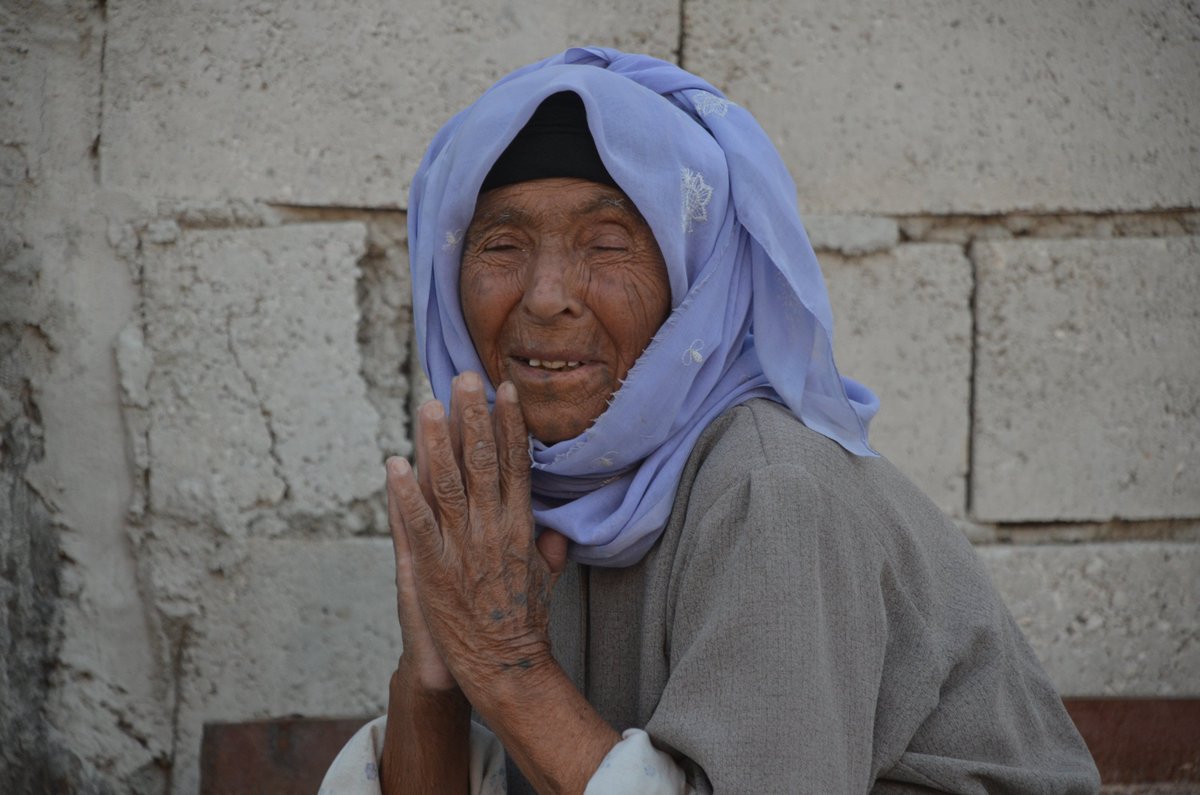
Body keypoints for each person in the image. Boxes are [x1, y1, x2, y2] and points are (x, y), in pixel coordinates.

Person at [322, 47, 1100, 794]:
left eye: (606, 242)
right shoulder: (515, 491)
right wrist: (435, 677)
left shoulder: (771, 490)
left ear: (693, 280)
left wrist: (506, 665)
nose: (546, 294)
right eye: (501, 244)